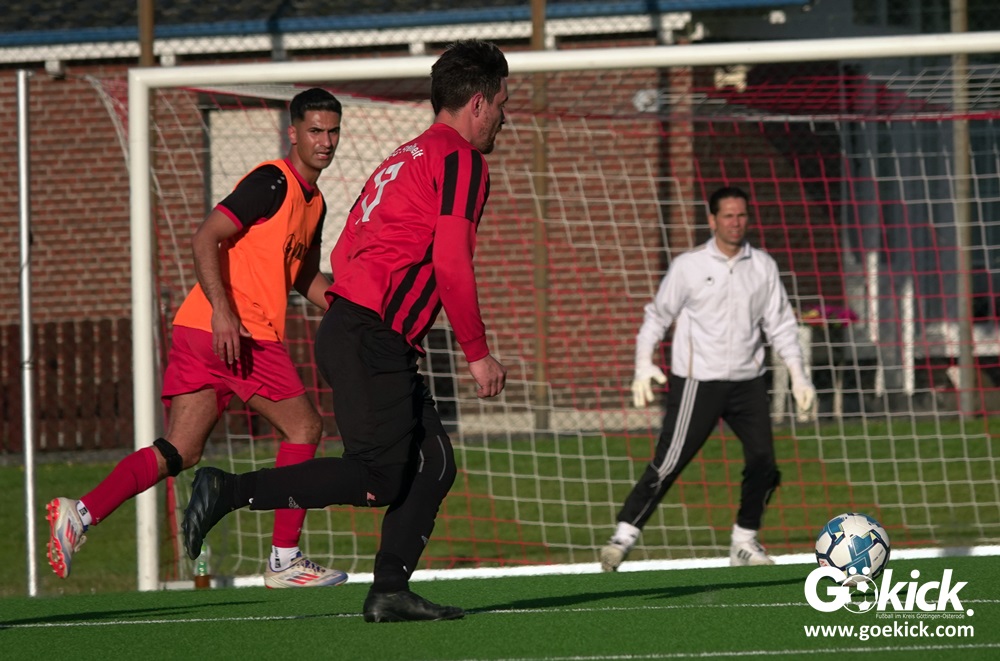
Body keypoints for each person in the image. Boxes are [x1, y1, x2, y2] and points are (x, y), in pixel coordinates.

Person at [181, 39, 509, 622]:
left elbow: (347, 247)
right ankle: (227, 491)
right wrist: (477, 352)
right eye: (502, 105)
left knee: (433, 463)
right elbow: (452, 261)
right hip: (370, 335)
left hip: (358, 329)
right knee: (378, 478)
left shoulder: (404, 155)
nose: (504, 119)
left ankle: (389, 591)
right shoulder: (460, 159)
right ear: (478, 103)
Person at [45, 87, 348, 589]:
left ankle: (80, 512)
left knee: (181, 451)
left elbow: (303, 277)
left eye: (333, 131)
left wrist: (354, 309)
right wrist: (224, 312)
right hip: (237, 332)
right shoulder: (272, 181)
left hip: (197, 331)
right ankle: (284, 559)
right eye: (315, 130)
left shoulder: (314, 203)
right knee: (305, 428)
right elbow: (206, 235)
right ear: (293, 133)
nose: (326, 141)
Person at [600, 186, 816, 571]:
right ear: (712, 220)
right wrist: (642, 364)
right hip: (698, 382)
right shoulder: (689, 266)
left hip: (748, 382)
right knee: (669, 462)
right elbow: (657, 317)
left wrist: (800, 377)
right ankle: (624, 534)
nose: (736, 223)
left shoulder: (762, 266)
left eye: (741, 215)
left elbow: (781, 325)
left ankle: (744, 541)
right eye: (728, 216)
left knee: (764, 461)